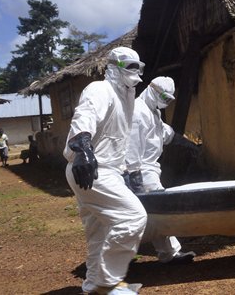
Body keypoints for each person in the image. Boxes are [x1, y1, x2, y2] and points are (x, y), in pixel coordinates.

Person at [63, 47, 148, 295]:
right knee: (133, 217)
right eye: (130, 67)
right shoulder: (100, 89)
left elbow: (122, 139)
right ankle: (108, 283)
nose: (136, 73)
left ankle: (92, 285)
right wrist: (82, 147)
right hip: (90, 168)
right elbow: (85, 115)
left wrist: (130, 171)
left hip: (106, 170)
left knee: (99, 232)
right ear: (115, 67)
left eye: (138, 67)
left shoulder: (126, 97)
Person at [125, 76, 196, 264]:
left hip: (150, 171)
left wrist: (190, 145)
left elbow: (166, 134)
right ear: (152, 90)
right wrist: (135, 179)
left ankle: (166, 253)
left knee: (154, 215)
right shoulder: (136, 112)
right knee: (148, 215)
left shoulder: (153, 113)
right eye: (163, 97)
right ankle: (122, 256)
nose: (165, 103)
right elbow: (131, 148)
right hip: (140, 172)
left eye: (168, 100)